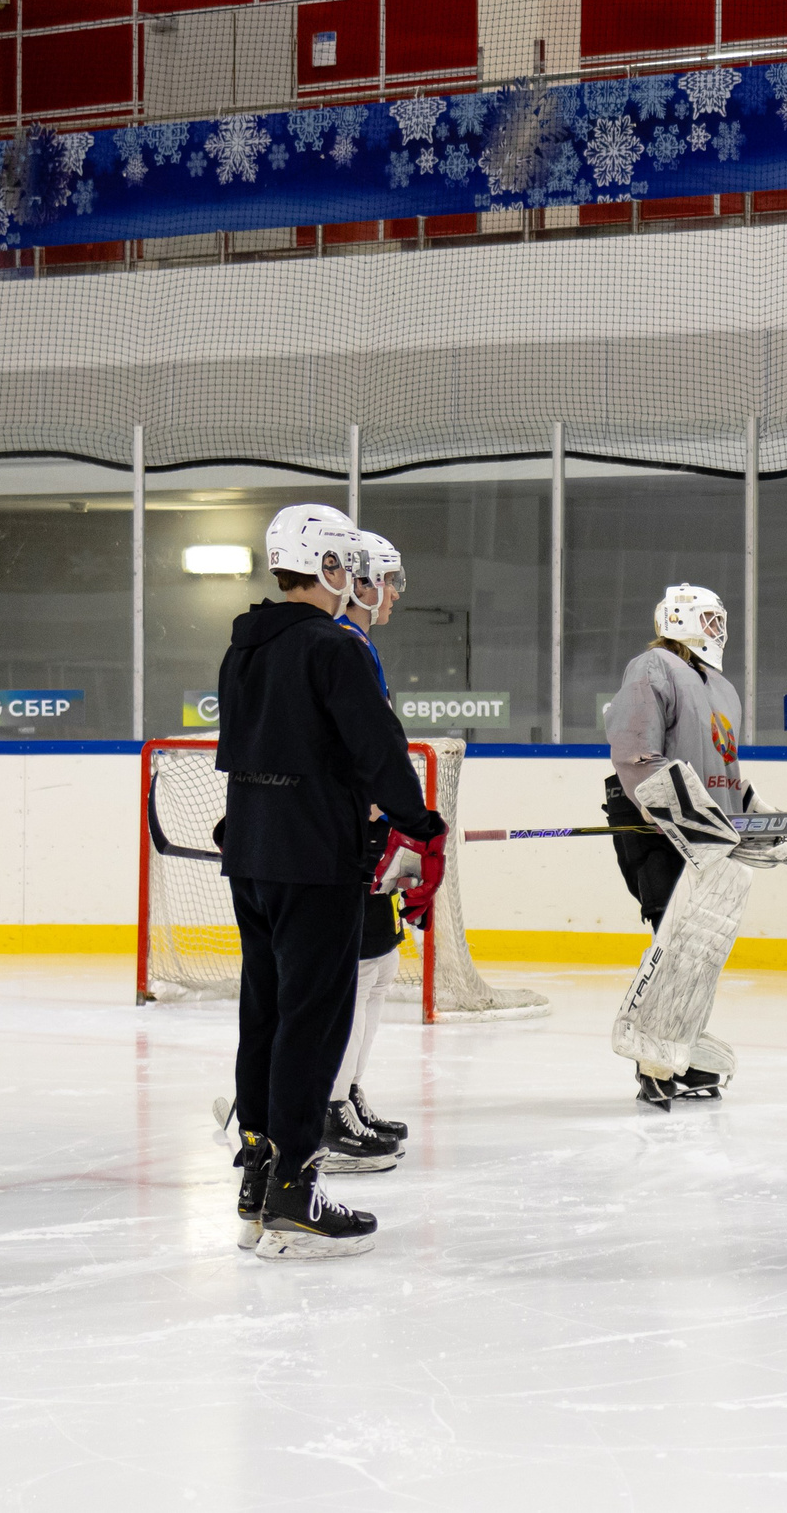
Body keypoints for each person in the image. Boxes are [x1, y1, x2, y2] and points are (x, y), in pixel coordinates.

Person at [217, 504, 446, 1259]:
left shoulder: (244, 645)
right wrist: (423, 825)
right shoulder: (333, 647)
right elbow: (378, 752)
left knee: (265, 1013)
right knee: (312, 1021)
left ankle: (259, 1177)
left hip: (252, 855)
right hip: (314, 859)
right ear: (328, 566)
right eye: (345, 563)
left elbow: (244, 753)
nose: (353, 578)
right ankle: (294, 1191)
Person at [601, 583, 758, 1106]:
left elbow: (724, 767)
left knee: (702, 947)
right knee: (677, 943)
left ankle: (676, 1049)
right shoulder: (653, 668)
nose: (718, 630)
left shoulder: (723, 687)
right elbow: (634, 753)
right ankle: (653, 1061)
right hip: (655, 827)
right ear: (678, 620)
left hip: (709, 831)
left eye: (720, 619)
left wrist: (750, 810)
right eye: (709, 619)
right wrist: (674, 807)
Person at [317, 530, 411, 1173]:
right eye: (390, 581)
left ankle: (347, 1092)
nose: (396, 594)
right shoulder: (340, 646)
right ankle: (326, 1108)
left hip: (368, 832)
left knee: (380, 967)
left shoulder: (362, 646)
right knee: (355, 973)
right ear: (360, 583)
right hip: (344, 836)